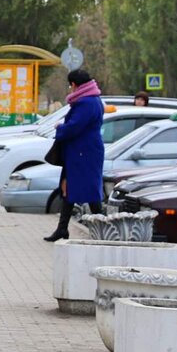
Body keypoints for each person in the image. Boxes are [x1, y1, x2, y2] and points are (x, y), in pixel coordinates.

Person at [44, 69, 106, 242]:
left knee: (89, 191)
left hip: (83, 153)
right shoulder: (91, 99)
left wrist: (59, 128)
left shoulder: (86, 102)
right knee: (68, 188)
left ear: (74, 84)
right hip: (81, 152)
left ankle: (102, 227)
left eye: (70, 85)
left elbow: (74, 127)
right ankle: (62, 229)